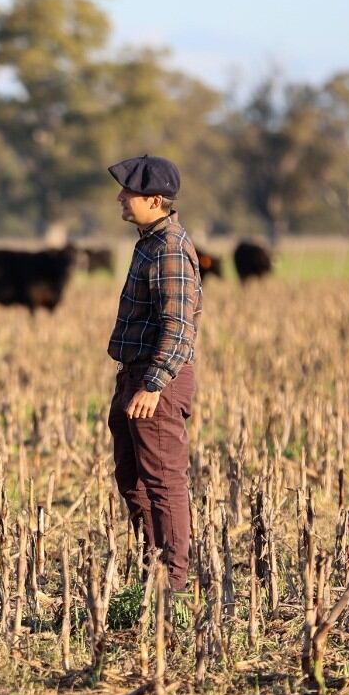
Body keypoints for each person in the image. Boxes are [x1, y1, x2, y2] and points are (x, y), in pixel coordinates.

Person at [105, 154, 202, 595]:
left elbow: (178, 327)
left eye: (130, 192)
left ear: (156, 200)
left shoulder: (169, 249)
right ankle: (154, 571)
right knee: (132, 478)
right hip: (135, 377)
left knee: (163, 482)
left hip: (153, 382)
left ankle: (173, 587)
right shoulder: (149, 241)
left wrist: (153, 383)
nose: (122, 198)